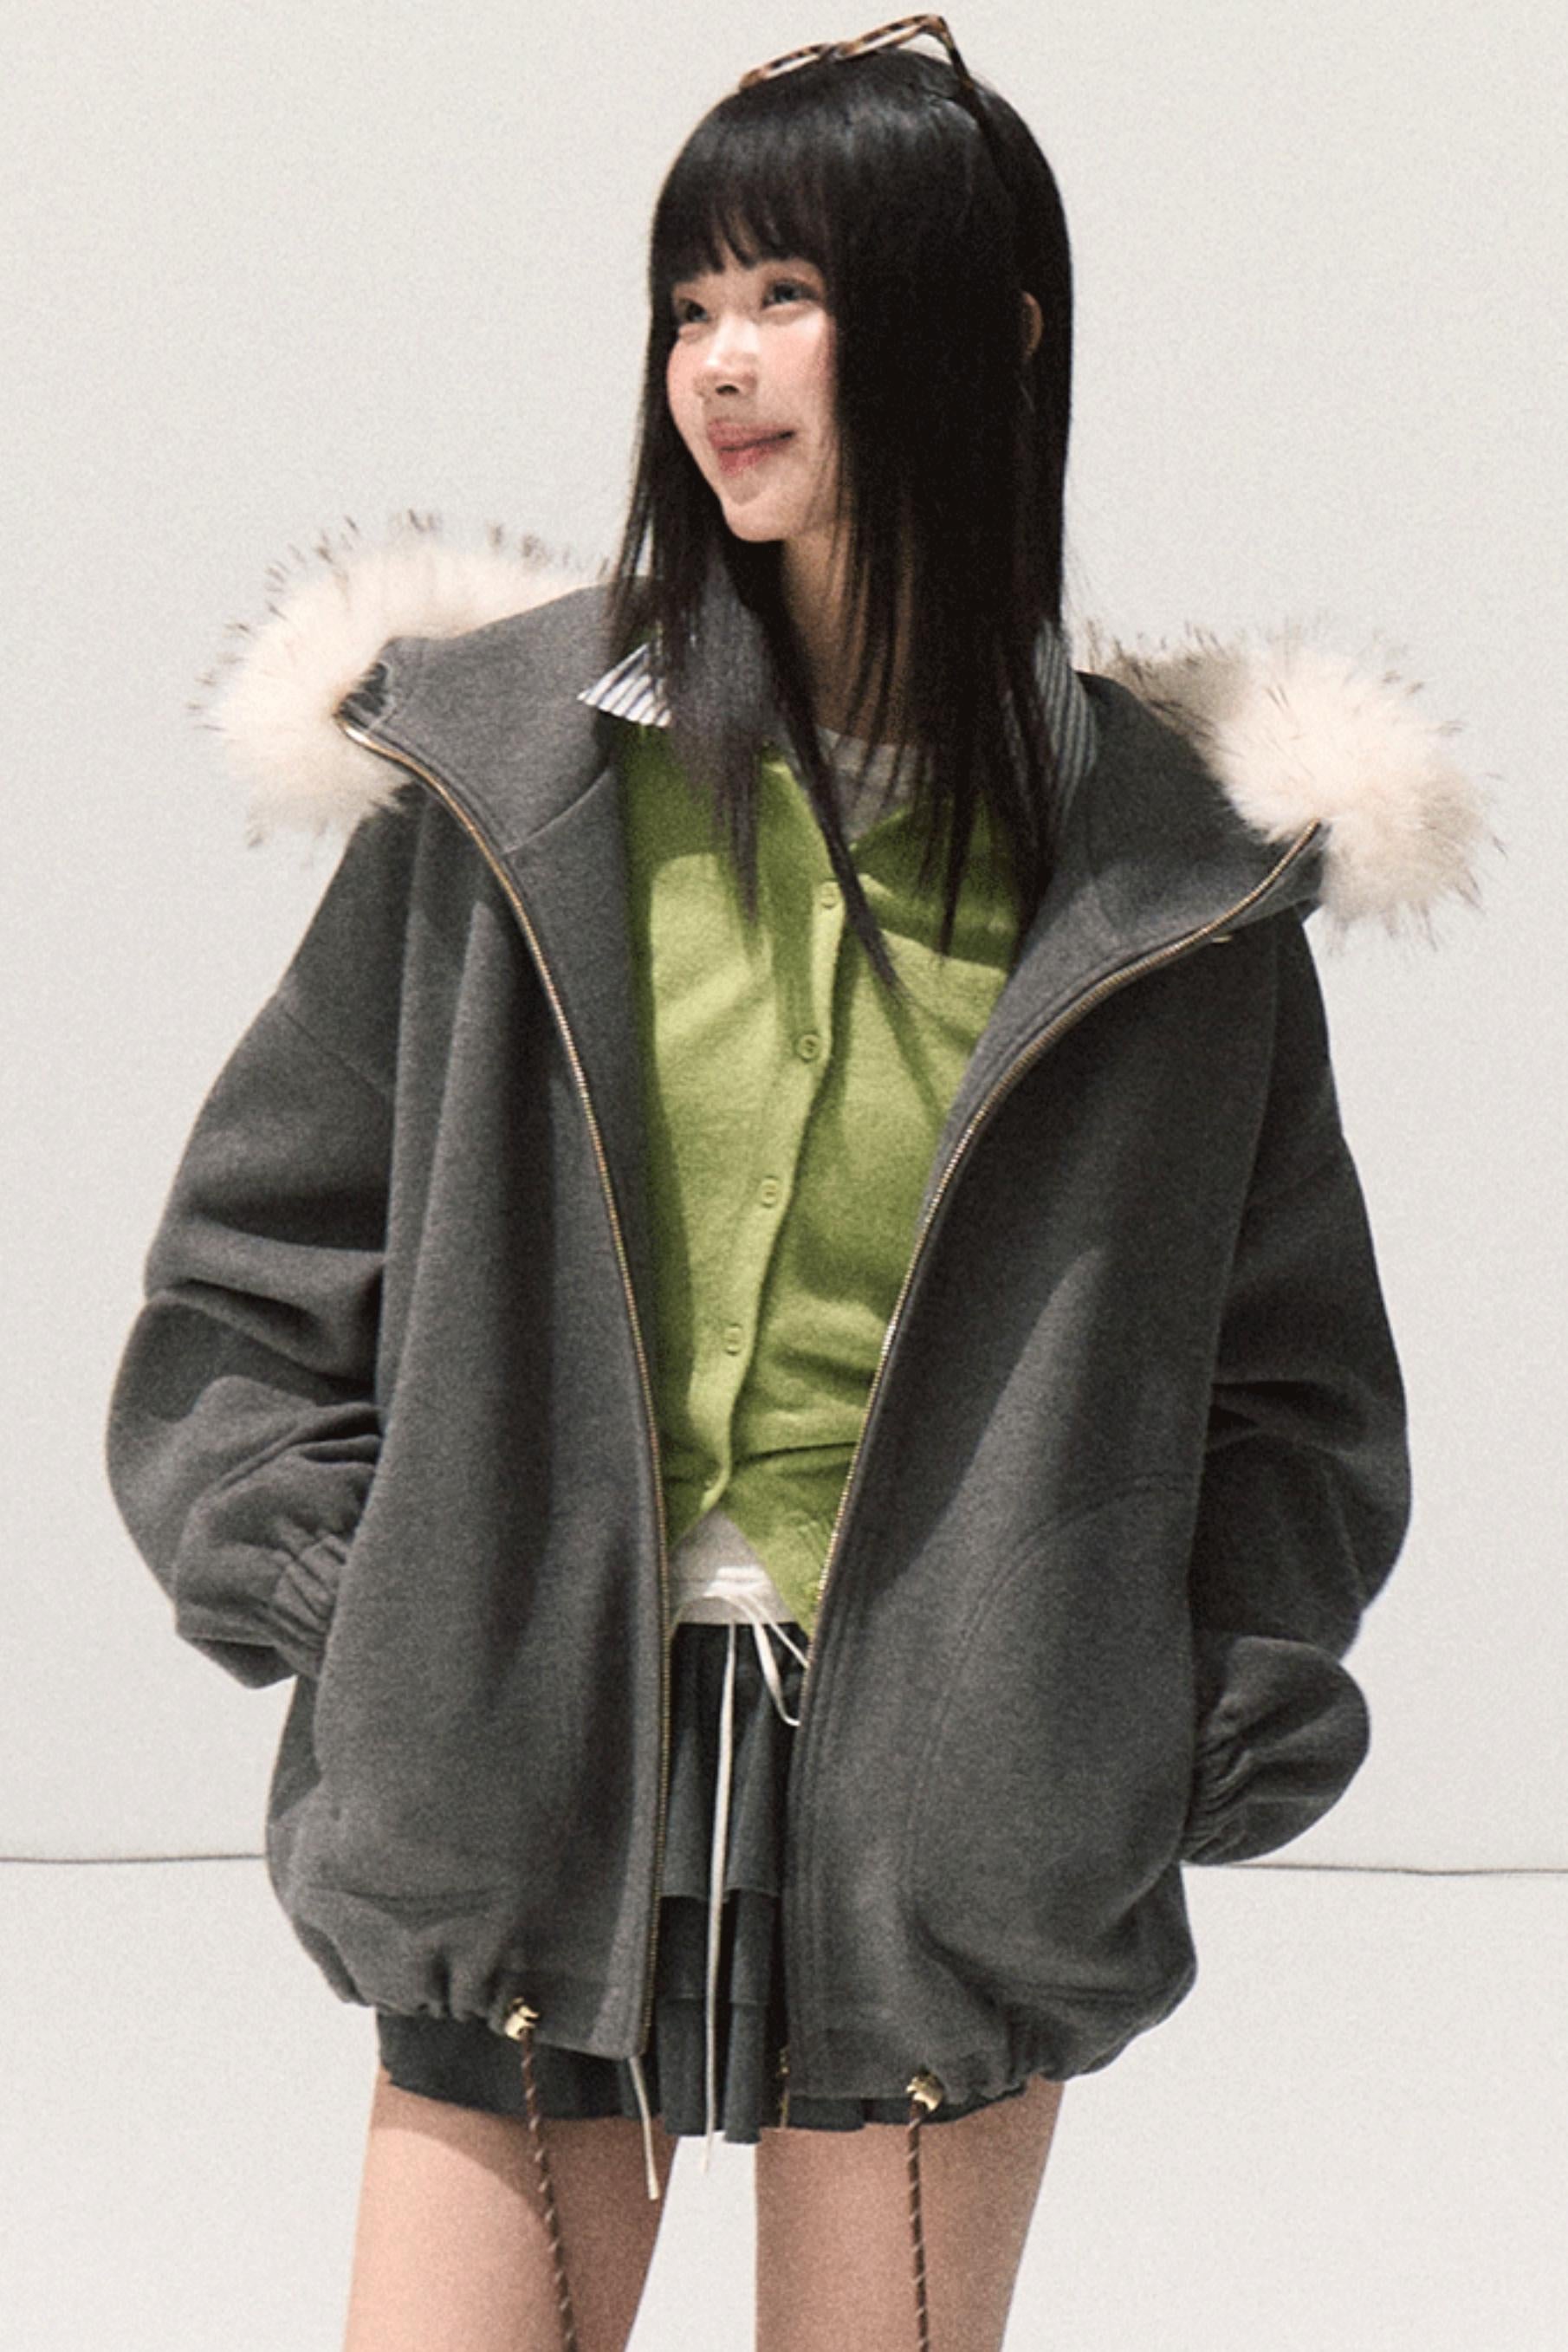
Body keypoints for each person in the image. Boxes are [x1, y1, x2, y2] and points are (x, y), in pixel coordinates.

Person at [105, 16, 1485, 2350]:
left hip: (955, 1807)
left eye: (788, 295)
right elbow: (258, 1265)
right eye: (687, 303)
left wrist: (1151, 1714)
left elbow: (1296, 1390)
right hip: (523, 1769)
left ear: (991, 334)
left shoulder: (1170, 883)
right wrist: (358, 1591)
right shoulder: (508, 790)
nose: (717, 365)